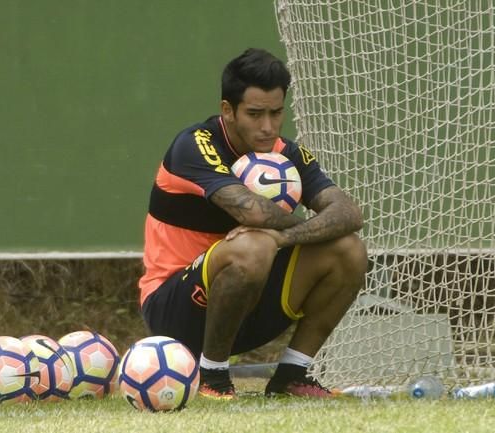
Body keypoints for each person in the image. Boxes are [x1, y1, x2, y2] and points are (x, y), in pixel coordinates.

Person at [138, 48, 368, 399]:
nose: (268, 127)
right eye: (255, 114)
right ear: (228, 110)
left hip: (246, 309)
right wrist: (287, 234)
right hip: (174, 312)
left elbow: (349, 213)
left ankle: (291, 376)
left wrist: (285, 238)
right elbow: (254, 214)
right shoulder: (194, 146)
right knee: (255, 244)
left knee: (348, 249)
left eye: (276, 113)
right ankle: (212, 378)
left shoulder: (286, 153)